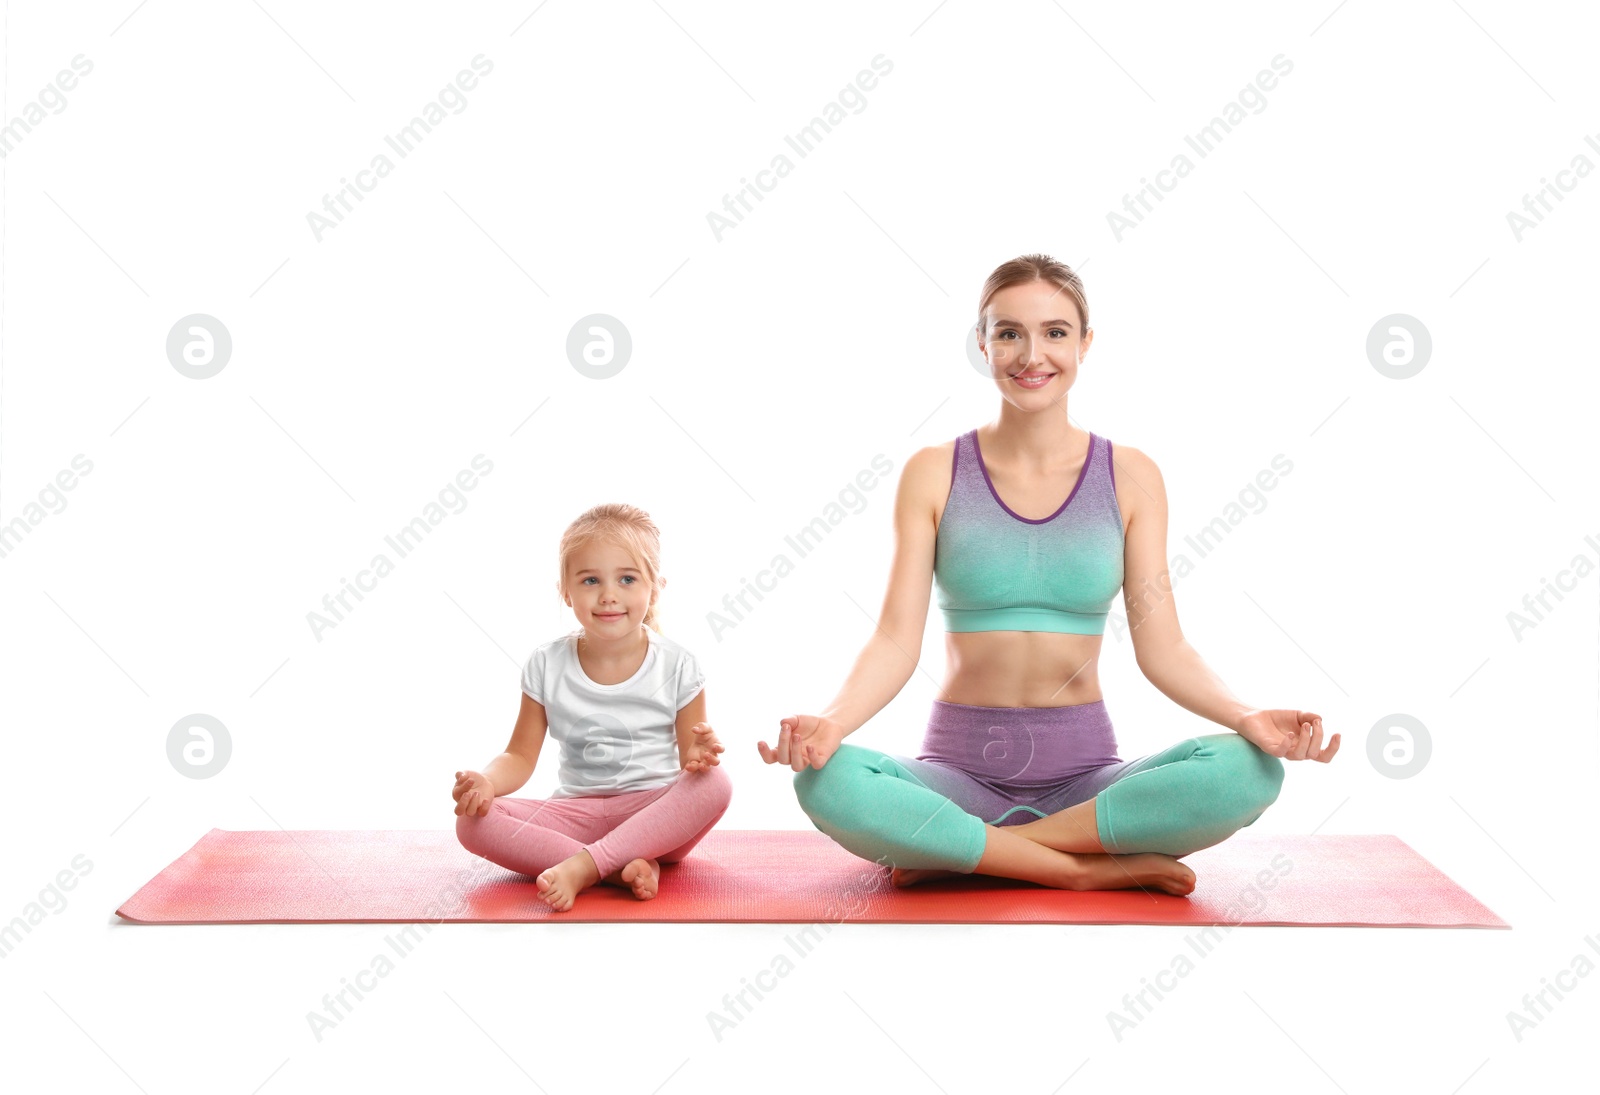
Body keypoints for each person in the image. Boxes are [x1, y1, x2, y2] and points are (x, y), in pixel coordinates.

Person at [758, 253, 1339, 896]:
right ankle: (1076, 869)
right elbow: (895, 640)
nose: (1032, 354)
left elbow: (1164, 648)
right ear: (983, 343)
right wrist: (833, 723)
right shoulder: (933, 470)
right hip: (956, 779)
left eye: (1056, 332)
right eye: (1009, 332)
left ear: (1086, 344)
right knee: (824, 780)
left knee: (1248, 771)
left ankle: (965, 854)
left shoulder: (1132, 475)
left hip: (1088, 786)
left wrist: (1247, 713)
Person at [453, 503, 732, 912]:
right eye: (589, 580)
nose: (608, 595)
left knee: (716, 784)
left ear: (654, 588)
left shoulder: (678, 664)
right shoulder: (546, 664)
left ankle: (585, 866)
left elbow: (692, 758)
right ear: (565, 590)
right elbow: (519, 754)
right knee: (472, 822)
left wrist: (699, 755)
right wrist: (488, 782)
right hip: (575, 814)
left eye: (627, 579)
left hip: (653, 815)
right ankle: (619, 868)